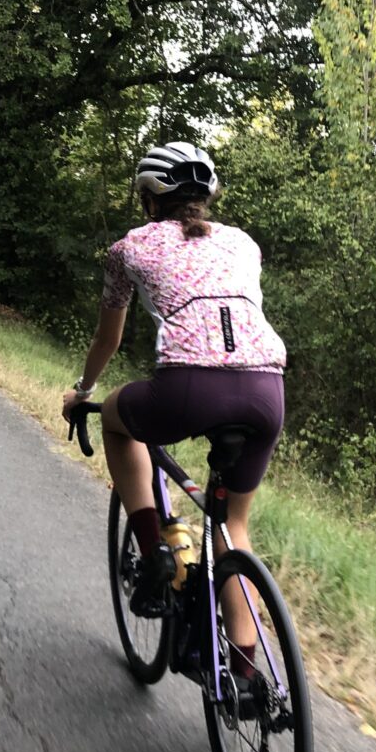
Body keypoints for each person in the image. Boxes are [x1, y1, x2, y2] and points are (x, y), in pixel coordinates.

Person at [62, 141, 286, 680]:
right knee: (232, 526)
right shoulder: (243, 242)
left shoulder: (128, 249)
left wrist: (82, 389)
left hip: (186, 387)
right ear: (206, 195)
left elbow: (108, 337)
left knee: (118, 423)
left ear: (147, 198)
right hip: (267, 391)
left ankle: (155, 557)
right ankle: (246, 674)